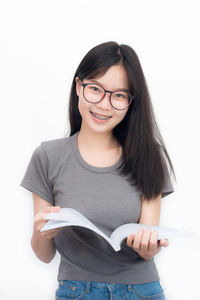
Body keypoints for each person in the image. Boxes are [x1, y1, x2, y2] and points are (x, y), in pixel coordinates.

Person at [20, 41, 175, 300]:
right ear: (78, 87)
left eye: (119, 95)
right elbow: (44, 254)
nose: (104, 105)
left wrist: (148, 247)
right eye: (95, 89)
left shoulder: (149, 156)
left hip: (141, 291)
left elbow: (148, 250)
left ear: (130, 103)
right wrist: (41, 232)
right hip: (76, 291)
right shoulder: (47, 157)